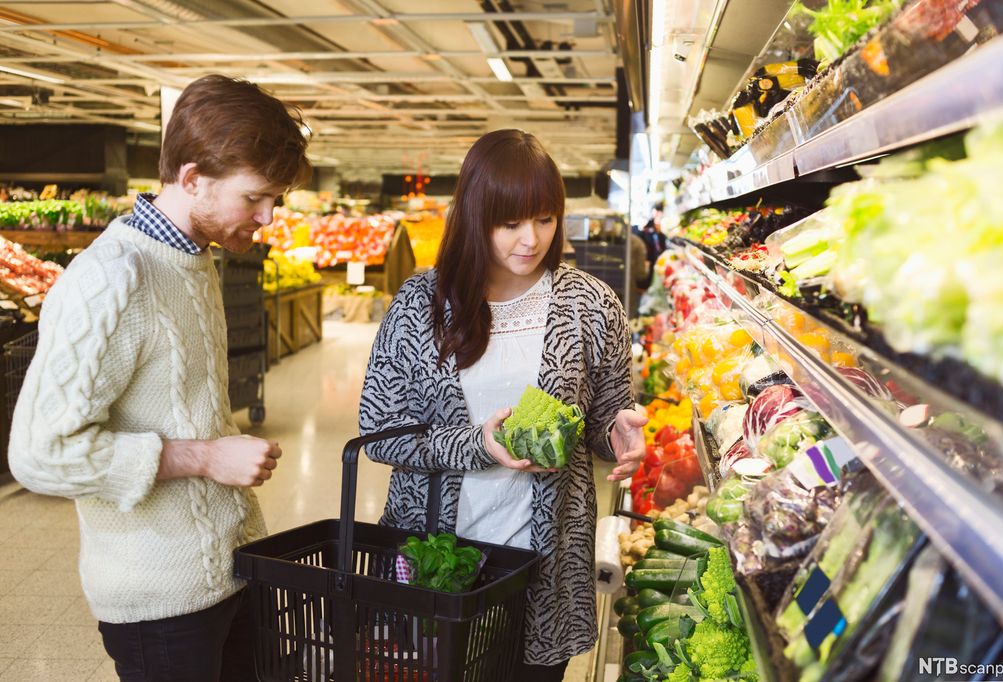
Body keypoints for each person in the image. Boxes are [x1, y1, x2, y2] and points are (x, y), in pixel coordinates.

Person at [9, 74, 311, 682]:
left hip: (231, 570)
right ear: (193, 178)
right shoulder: (111, 280)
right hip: (161, 605)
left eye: (275, 199)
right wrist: (203, 458)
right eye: (255, 197)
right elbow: (40, 455)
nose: (269, 216)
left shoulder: (194, 258)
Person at [359, 129, 647, 681]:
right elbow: (381, 431)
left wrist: (620, 432)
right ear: (473, 216)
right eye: (509, 222)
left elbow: (606, 414)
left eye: (544, 219)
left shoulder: (589, 303)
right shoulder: (422, 304)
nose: (531, 239)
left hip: (547, 562)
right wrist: (479, 444)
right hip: (438, 557)